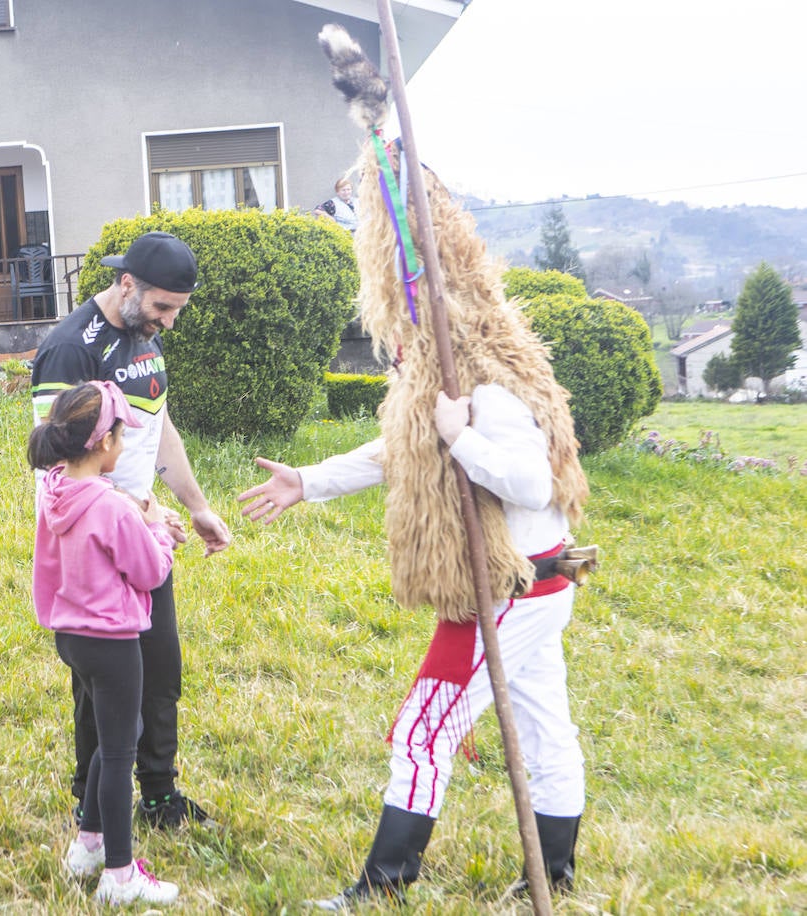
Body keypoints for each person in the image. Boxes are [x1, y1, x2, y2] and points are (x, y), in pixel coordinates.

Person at [241, 25, 591, 909]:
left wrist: (459, 431)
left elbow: (531, 481)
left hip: (511, 585)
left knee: (423, 728)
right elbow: (403, 449)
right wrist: (309, 481)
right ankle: (552, 874)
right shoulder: (440, 373)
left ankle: (383, 884)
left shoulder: (486, 383)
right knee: (544, 728)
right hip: (538, 590)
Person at [30, 230, 232, 829]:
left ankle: (160, 793)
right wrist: (138, 511)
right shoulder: (69, 349)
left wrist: (194, 506)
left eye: (178, 310)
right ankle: (89, 801)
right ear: (127, 285)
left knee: (160, 668)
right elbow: (58, 465)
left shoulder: (145, 337)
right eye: (163, 307)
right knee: (105, 679)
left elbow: (156, 424)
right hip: (95, 542)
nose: (169, 322)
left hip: (145, 531)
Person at [30, 380, 181, 907]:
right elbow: (149, 569)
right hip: (114, 640)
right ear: (102, 442)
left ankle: (88, 843)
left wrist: (141, 518)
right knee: (120, 751)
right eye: (121, 436)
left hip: (73, 636)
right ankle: (119, 873)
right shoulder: (113, 508)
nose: (124, 445)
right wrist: (158, 528)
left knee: (115, 732)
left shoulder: (56, 489)